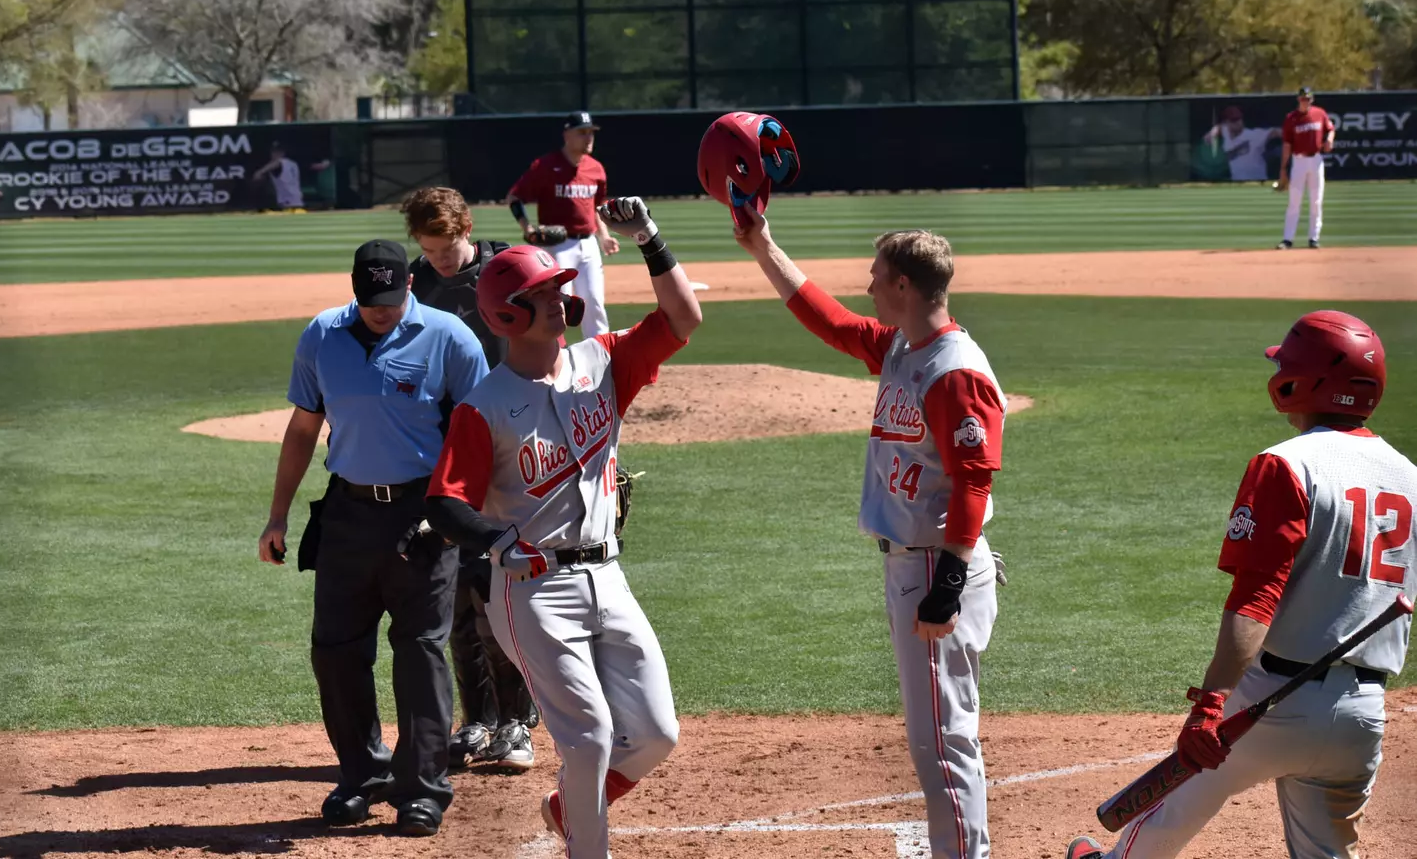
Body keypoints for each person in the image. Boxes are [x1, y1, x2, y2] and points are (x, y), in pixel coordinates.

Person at [1067, 310, 1412, 859]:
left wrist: (1210, 704)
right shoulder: (1408, 476)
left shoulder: (1287, 464)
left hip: (1271, 705)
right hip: (1363, 715)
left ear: (1306, 380)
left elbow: (1256, 599)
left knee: (1163, 821)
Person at [424, 197, 702, 859]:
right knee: (588, 737)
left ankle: (567, 807)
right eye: (542, 293)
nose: (559, 300)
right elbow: (444, 501)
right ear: (507, 313)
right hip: (533, 590)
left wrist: (649, 239)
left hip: (608, 575)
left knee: (656, 733)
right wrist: (496, 540)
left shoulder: (602, 362)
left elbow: (682, 319)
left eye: (558, 290)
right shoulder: (482, 407)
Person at [735, 209, 1006, 859]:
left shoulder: (953, 371)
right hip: (911, 567)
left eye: (876, 276)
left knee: (943, 742)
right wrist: (762, 244)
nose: (867, 287)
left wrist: (943, 586)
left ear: (905, 288)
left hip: (937, 570)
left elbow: (974, 481)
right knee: (934, 739)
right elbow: (825, 318)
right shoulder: (900, 348)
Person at [256, 239, 488, 838]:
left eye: (388, 299)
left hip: (423, 516)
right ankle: (361, 774)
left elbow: (480, 438)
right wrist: (277, 515)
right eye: (368, 300)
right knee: (334, 650)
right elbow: (304, 427)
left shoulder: (448, 337)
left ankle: (422, 788)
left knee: (419, 652)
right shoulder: (322, 335)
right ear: (354, 289)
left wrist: (455, 517)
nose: (378, 311)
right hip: (348, 514)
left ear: (409, 285)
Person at [399, 187, 538, 772]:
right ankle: (477, 719)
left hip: (506, 447)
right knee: (454, 593)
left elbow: (545, 343)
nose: (441, 260)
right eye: (429, 250)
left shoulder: (509, 267)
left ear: (468, 229)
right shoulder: (413, 283)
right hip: (447, 456)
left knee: (499, 595)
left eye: (449, 247)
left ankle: (518, 721)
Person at [504, 111, 619, 338]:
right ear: (567, 135)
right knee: (557, 303)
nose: (588, 138)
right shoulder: (546, 166)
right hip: (557, 246)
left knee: (595, 303)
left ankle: (602, 356)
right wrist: (526, 227)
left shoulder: (595, 168)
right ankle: (555, 355)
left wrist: (603, 236)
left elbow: (597, 205)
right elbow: (514, 197)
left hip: (589, 245)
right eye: (582, 133)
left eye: (591, 133)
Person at [1277, 87, 1335, 249]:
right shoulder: (1291, 118)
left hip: (1316, 160)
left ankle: (1313, 238)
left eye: (1308, 99)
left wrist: (1330, 139)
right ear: (1298, 100)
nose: (1305, 101)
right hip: (1299, 160)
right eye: (1303, 99)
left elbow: (1330, 129)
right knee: (1294, 201)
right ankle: (1288, 239)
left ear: (1312, 99)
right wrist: (1283, 168)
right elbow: (1287, 144)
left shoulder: (1319, 113)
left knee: (1316, 200)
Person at [1202, 106, 1280, 182]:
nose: (1238, 122)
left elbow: (1274, 132)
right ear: (1226, 122)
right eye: (1234, 120)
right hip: (1238, 183)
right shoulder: (1226, 132)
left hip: (1258, 181)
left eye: (1239, 119)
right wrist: (1211, 133)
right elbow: (1219, 127)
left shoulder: (1254, 135)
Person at [252, 142, 305, 212]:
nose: (275, 154)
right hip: (297, 200)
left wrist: (259, 172)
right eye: (273, 152)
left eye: (278, 152)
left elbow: (277, 163)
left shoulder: (281, 162)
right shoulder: (292, 163)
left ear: (283, 153)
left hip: (287, 202)